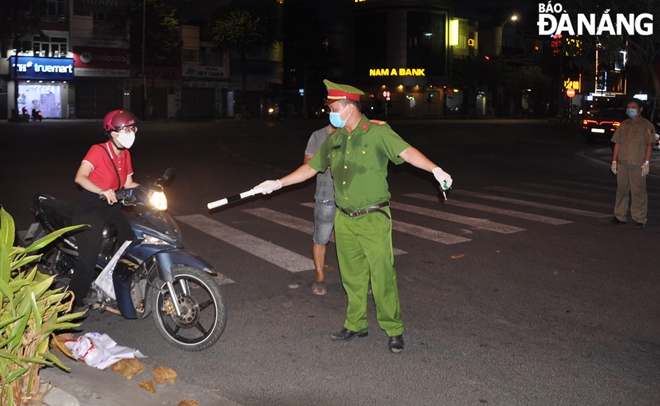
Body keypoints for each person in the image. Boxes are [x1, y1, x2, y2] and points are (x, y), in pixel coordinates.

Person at [254, 79, 452, 353]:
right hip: (343, 218)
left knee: (382, 276)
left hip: (373, 217)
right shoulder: (334, 139)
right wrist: (277, 183)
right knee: (352, 276)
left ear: (347, 107)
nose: (329, 112)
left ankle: (393, 329)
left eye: (333, 107)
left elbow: (406, 152)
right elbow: (310, 169)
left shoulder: (377, 133)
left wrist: (435, 169)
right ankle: (356, 324)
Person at [69, 110, 140, 307]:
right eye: (125, 129)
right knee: (88, 260)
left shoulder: (125, 154)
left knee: (132, 243)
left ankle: (114, 283)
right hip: (90, 207)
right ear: (112, 133)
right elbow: (80, 177)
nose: (130, 132)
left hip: (112, 207)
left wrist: (150, 190)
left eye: (132, 128)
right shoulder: (98, 150)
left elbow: (128, 184)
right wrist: (102, 190)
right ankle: (69, 306)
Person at [610, 99, 655, 229]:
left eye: (633, 107)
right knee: (621, 191)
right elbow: (617, 143)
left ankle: (640, 218)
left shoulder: (647, 126)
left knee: (638, 192)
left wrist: (646, 162)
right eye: (629, 107)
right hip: (623, 163)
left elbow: (649, 145)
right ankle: (619, 216)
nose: (630, 109)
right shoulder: (623, 125)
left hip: (637, 164)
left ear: (640, 109)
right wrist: (614, 161)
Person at [304, 125, 336, 295]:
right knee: (321, 237)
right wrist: (331, 163)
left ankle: (358, 280)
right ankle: (320, 276)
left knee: (355, 241)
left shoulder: (353, 131)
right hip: (326, 195)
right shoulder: (318, 135)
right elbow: (308, 162)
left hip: (352, 199)